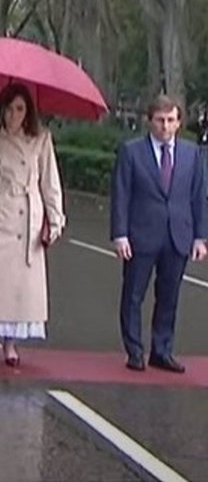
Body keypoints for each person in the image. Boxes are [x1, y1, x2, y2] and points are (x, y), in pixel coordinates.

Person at [0, 83, 64, 366]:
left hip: (25, 216)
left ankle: (10, 343)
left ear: (28, 111)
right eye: (9, 108)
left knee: (18, 285)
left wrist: (54, 219)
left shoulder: (41, 139)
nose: (13, 115)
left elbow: (49, 182)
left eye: (19, 109)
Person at [111, 94, 207, 373]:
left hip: (178, 235)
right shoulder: (131, 152)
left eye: (170, 120)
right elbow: (121, 194)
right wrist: (120, 234)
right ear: (149, 121)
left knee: (169, 296)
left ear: (179, 123)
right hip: (141, 234)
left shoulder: (192, 154)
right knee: (133, 294)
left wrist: (200, 237)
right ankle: (134, 350)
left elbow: (199, 197)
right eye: (159, 120)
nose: (165, 126)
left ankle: (162, 350)